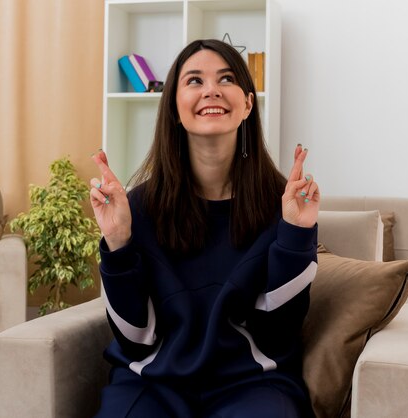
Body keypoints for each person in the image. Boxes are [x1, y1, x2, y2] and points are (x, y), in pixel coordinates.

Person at [90, 39, 320, 418]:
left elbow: (277, 335)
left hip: (253, 384)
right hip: (152, 384)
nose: (211, 89)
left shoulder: (284, 203)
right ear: (175, 109)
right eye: (194, 81)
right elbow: (134, 342)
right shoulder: (139, 207)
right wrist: (118, 243)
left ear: (247, 104)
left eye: (226, 78)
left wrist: (295, 234)